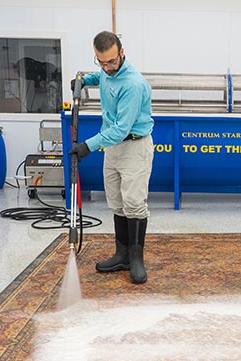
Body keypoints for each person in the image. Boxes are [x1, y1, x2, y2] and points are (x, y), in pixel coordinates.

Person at [69, 31, 154, 284]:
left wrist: (88, 145)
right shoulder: (106, 72)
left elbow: (121, 129)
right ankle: (122, 255)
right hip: (112, 147)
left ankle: (136, 259)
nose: (106, 68)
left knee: (134, 203)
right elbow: (101, 79)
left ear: (122, 53)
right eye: (101, 62)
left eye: (111, 62)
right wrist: (83, 80)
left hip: (133, 146)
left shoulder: (133, 84)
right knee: (116, 201)